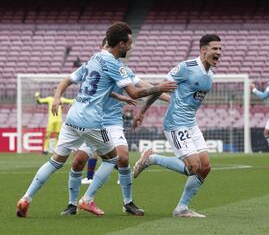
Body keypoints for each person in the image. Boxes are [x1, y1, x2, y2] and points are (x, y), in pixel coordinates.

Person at [16, 22, 177, 218]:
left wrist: (58, 97)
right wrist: (159, 88)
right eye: (129, 43)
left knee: (55, 160)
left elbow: (78, 81)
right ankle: (86, 200)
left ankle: (25, 198)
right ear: (120, 44)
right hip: (92, 121)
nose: (131, 47)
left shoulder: (94, 58)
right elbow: (135, 92)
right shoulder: (115, 65)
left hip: (73, 116)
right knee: (112, 159)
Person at [132, 34, 222, 218]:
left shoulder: (210, 74)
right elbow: (161, 88)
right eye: (215, 49)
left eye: (220, 49)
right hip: (175, 123)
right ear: (203, 50)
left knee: (205, 167)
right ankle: (151, 159)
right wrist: (142, 111)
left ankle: (181, 208)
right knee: (193, 167)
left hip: (191, 123)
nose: (218, 53)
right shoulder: (185, 68)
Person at [61, 65, 170, 216]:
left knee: (123, 157)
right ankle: (72, 205)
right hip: (91, 122)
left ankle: (128, 203)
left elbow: (144, 86)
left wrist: (170, 99)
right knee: (78, 161)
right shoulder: (94, 68)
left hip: (112, 122)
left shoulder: (121, 70)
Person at [35, 89, 74, 154]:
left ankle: (56, 150)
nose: (56, 92)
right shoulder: (50, 99)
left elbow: (71, 100)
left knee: (57, 136)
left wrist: (79, 98)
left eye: (57, 91)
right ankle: (45, 150)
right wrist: (37, 96)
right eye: (54, 91)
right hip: (51, 120)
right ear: (53, 92)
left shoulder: (62, 99)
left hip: (59, 120)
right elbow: (39, 101)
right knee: (47, 135)